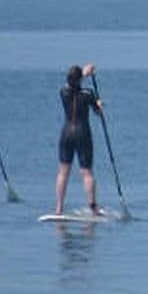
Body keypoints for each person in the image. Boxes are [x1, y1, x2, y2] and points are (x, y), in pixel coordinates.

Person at [55, 64, 103, 216]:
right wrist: (99, 105)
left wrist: (82, 74)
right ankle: (93, 207)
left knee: (63, 171)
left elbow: (70, 84)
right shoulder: (88, 94)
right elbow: (98, 113)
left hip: (66, 134)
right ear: (80, 79)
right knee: (86, 172)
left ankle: (59, 208)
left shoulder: (63, 92)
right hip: (82, 133)